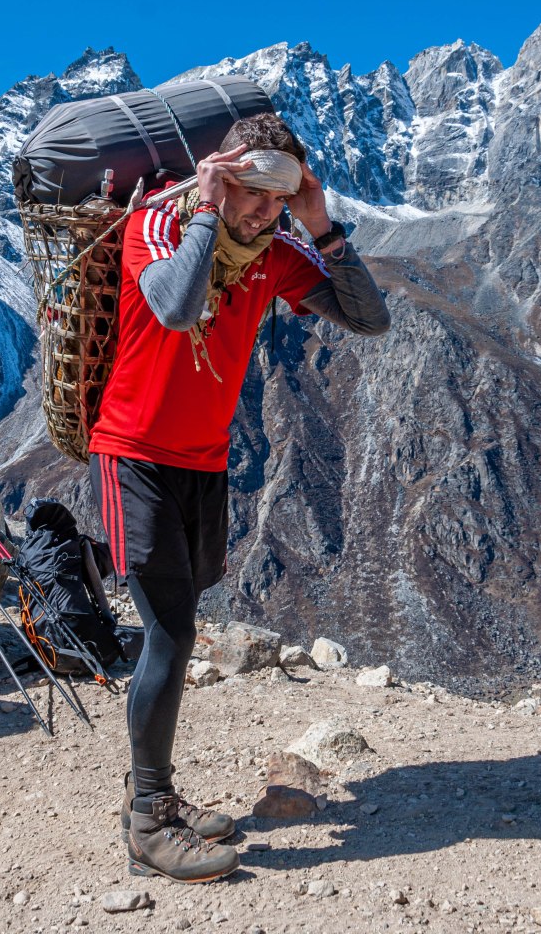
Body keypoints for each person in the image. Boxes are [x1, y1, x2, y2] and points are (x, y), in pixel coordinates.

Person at [89, 113, 391, 883]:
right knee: (168, 633)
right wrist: (204, 206)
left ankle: (152, 792)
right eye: (253, 193)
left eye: (277, 199)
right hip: (133, 456)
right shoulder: (158, 226)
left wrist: (320, 227)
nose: (262, 212)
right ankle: (147, 821)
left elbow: (369, 319)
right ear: (221, 175)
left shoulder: (276, 254)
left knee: (181, 624)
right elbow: (175, 308)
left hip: (203, 462)